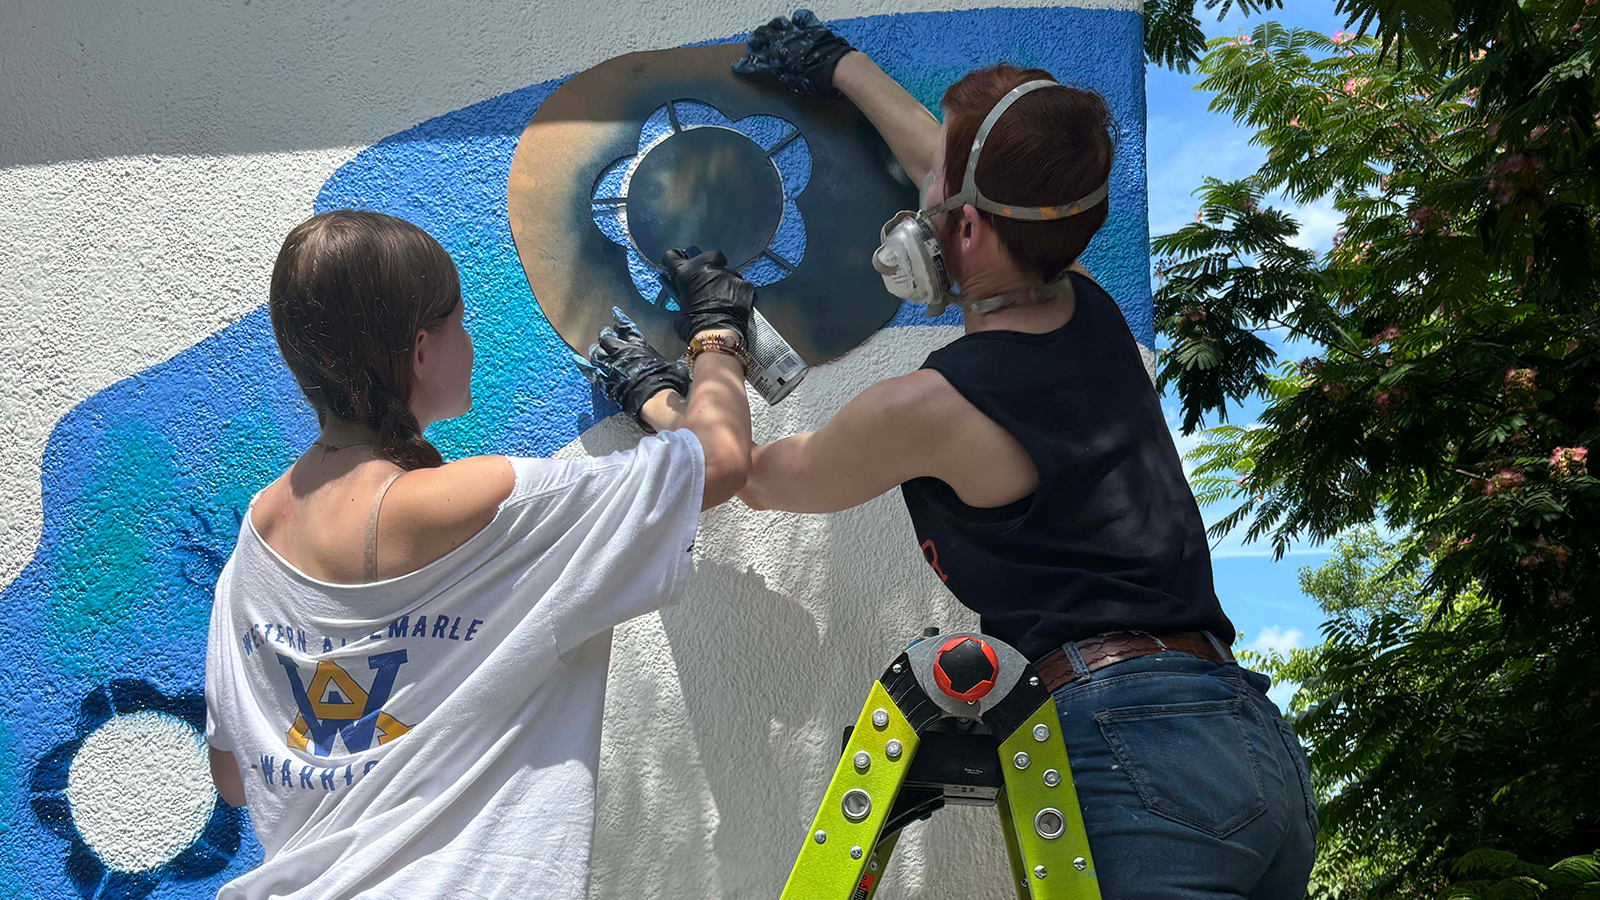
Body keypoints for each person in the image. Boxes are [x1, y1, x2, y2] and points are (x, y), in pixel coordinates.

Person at [585, 12, 1318, 897]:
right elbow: (972, 176)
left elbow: (741, 474)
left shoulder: (932, 405)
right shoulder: (1087, 306)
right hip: (1251, 744)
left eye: (936, 186)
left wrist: (698, 356)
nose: (920, 191)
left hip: (1135, 753)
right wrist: (839, 67)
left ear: (964, 227)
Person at [204, 210, 755, 899]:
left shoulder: (255, 541)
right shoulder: (489, 504)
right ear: (421, 350)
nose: (472, 341)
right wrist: (718, 332)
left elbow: (235, 777)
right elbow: (723, 461)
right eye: (461, 323)